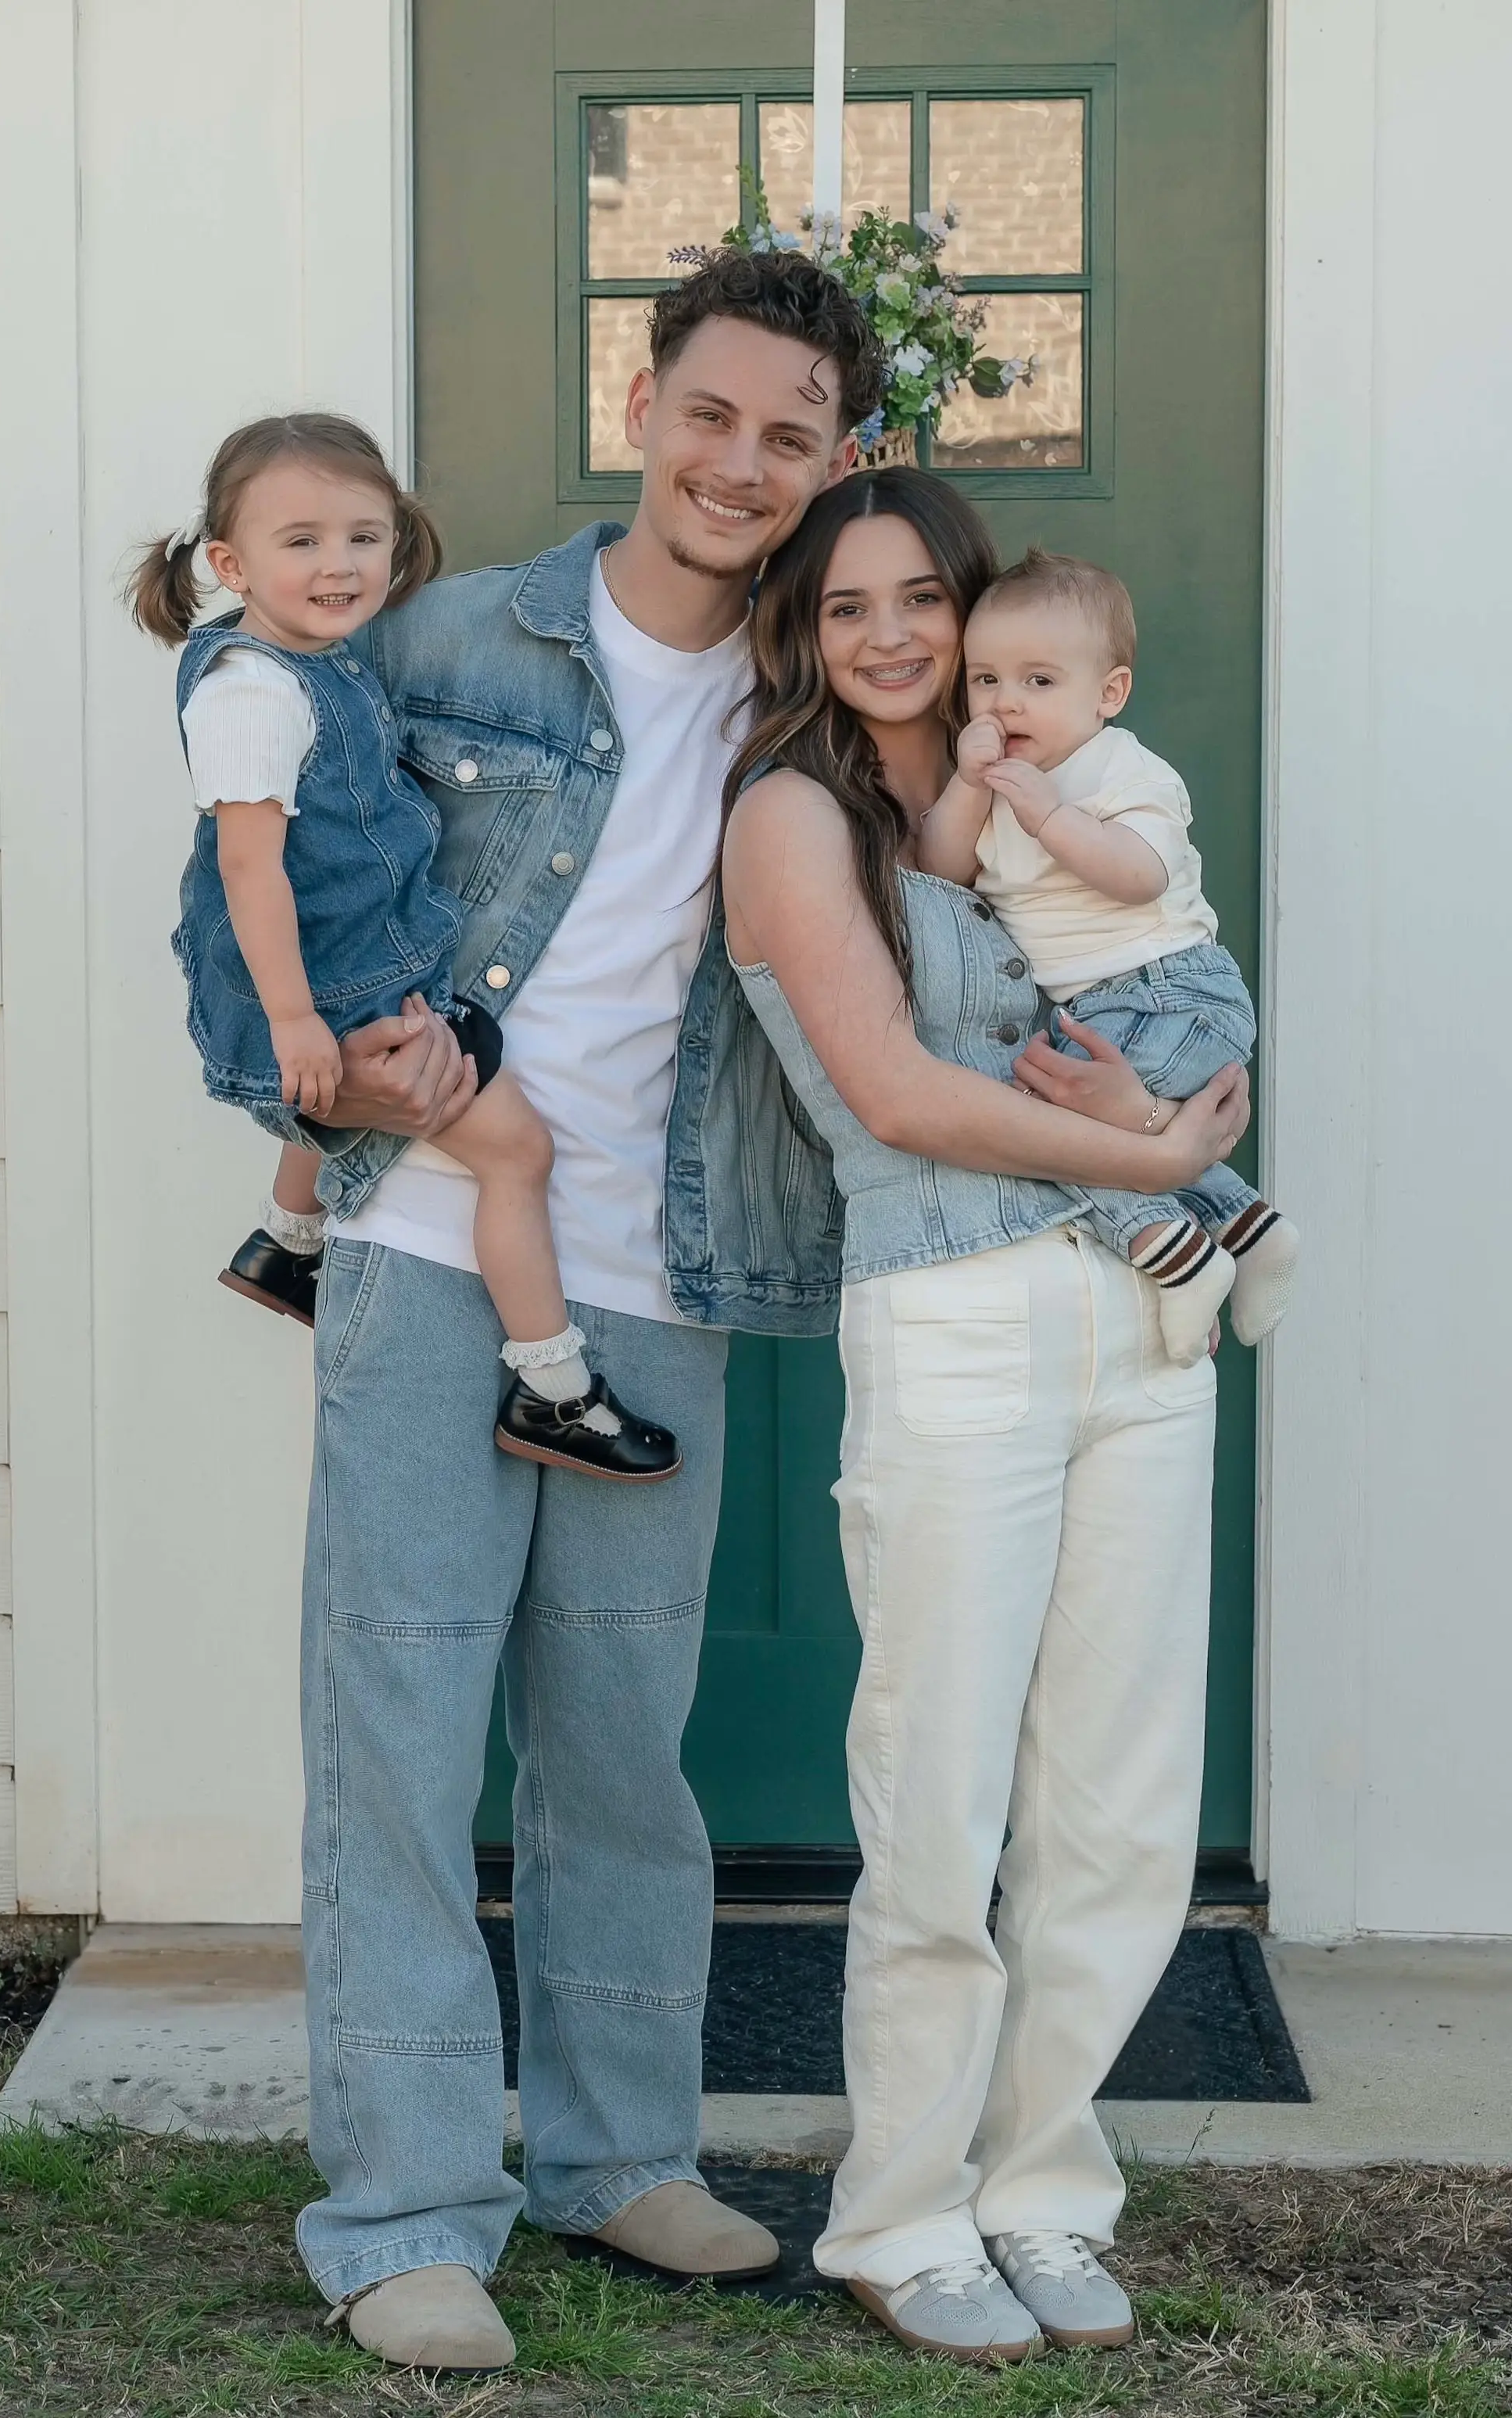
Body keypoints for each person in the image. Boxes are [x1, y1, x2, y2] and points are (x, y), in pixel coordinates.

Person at [247, 252, 1241, 2378]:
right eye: (713, 414)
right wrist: (318, 1074)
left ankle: (615, 2155)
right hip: (436, 1240)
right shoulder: (450, 635)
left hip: (667, 1273)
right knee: (408, 1731)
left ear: (837, 461)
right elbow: (244, 868)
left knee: (625, 1753)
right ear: (644, 397)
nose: (741, 462)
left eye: (791, 434)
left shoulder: (829, 712)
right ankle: (408, 2203)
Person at [720, 466, 1250, 2363]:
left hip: (1133, 1317)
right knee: (934, 1795)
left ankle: (1044, 2184)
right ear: (800, 623)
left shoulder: (1055, 794)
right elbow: (896, 1096)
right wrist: (1135, 1135)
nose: (884, 635)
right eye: (842, 601)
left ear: (968, 613)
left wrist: (1166, 1112)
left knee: (1114, 1799)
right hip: (953, 1319)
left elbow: (1157, 1004)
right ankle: (899, 2207)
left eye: (915, 598)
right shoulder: (790, 817)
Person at [132, 413, 676, 1482]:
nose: (339, 564)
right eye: (302, 542)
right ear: (232, 563)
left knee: (418, 1090)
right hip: (320, 985)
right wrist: (295, 1022)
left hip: (355, 957)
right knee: (518, 1155)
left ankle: (288, 1247)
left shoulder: (318, 659)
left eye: (362, 537)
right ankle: (554, 1389)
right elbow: (250, 870)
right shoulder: (253, 692)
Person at [918, 547, 1297, 1361]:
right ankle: (1247, 1226)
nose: (1006, 702)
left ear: (1107, 694)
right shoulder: (999, 780)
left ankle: (1176, 1253)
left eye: (1038, 682)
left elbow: (1138, 876)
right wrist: (965, 786)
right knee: (1047, 1125)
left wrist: (1053, 817)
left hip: (1171, 989)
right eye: (984, 681)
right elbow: (940, 871)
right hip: (1100, 1009)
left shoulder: (1121, 769)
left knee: (1048, 1132)